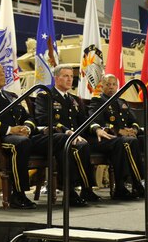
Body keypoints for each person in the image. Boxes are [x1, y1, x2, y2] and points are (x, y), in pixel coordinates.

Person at [0, 61, 53, 209]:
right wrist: (10, 130)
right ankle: (18, 195)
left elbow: (29, 117)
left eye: (2, 71)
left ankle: (72, 189)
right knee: (20, 143)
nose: (2, 74)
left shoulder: (11, 96)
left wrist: (27, 127)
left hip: (22, 137)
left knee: (58, 139)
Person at [34, 64, 101, 205]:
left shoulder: (74, 99)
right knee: (79, 146)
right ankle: (73, 191)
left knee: (88, 143)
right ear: (56, 78)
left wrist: (96, 129)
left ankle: (85, 189)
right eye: (65, 76)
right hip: (55, 137)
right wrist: (67, 131)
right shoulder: (45, 96)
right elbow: (44, 119)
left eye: (71, 76)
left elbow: (84, 121)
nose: (69, 80)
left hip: (76, 137)